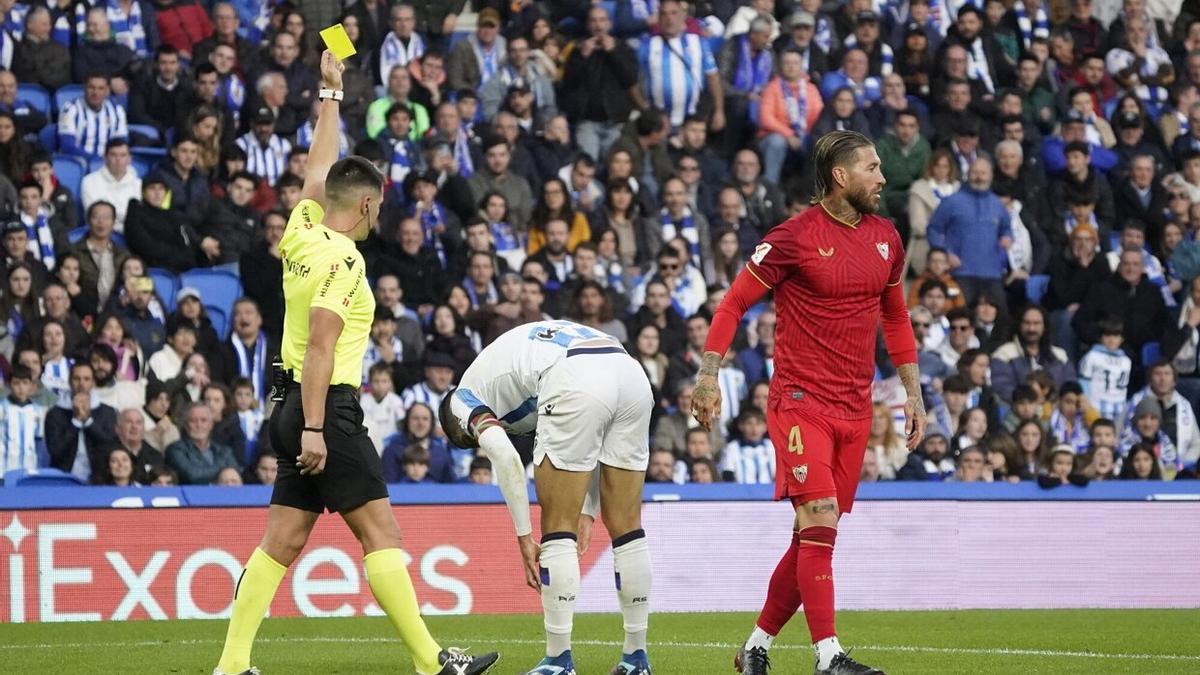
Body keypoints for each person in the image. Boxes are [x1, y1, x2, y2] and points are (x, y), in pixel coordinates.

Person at [212, 51, 497, 675]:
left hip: (284, 405)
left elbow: (318, 170)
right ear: (367, 206)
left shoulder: (300, 232)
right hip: (325, 411)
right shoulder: (344, 260)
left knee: (281, 542)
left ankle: (232, 666)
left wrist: (331, 93)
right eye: (379, 206)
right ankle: (432, 663)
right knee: (382, 535)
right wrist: (318, 427)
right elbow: (321, 343)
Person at [692, 131, 923, 675]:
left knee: (812, 537)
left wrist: (912, 393)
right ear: (841, 176)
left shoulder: (887, 238)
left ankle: (755, 647)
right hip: (800, 402)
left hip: (856, 408)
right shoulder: (794, 237)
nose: (883, 178)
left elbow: (896, 316)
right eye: (873, 167)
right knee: (818, 517)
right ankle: (828, 657)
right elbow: (735, 302)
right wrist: (708, 374)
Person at [439, 319, 654, 675]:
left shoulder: (461, 400)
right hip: (629, 371)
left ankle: (558, 660)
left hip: (574, 374)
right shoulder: (504, 361)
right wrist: (588, 509)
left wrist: (524, 537)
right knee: (627, 528)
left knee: (556, 528)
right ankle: (636, 658)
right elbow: (595, 433)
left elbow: (505, 456)